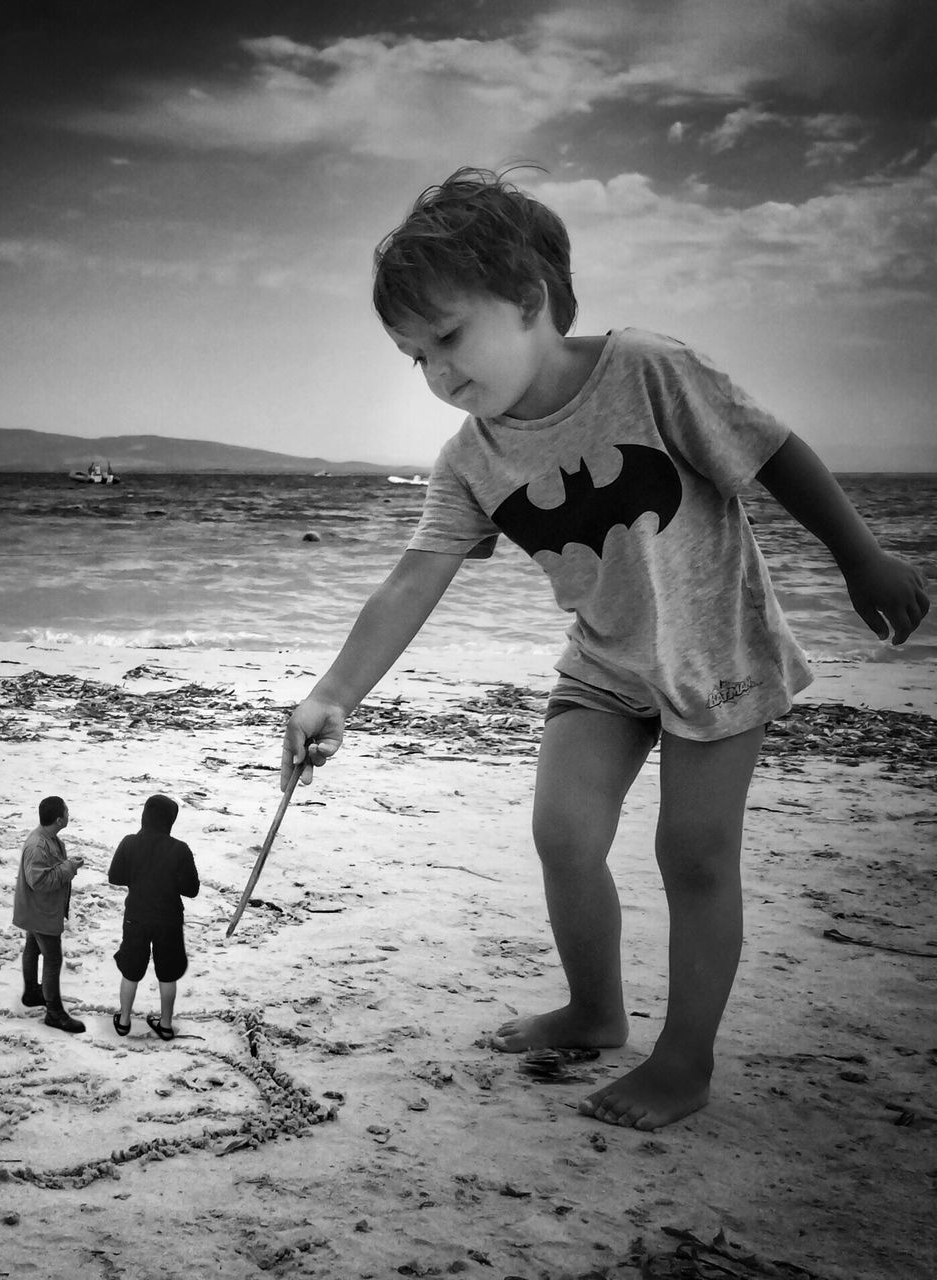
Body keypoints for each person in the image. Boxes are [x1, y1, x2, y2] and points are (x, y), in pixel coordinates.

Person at [282, 168, 929, 1132]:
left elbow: (772, 447)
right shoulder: (472, 459)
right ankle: (596, 1010)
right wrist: (332, 693)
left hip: (718, 649)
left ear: (531, 299)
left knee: (695, 853)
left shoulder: (647, 370)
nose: (440, 373)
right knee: (563, 833)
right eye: (416, 357)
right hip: (604, 661)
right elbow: (413, 578)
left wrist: (862, 555)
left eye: (450, 336)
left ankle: (685, 1059)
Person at [108, 794, 200, 1041]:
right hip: (168, 919)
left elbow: (114, 877)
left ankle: (124, 1020)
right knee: (168, 972)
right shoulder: (179, 849)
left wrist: (138, 877)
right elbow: (192, 889)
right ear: (170, 820)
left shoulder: (129, 843)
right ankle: (166, 1025)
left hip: (136, 916)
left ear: (144, 816)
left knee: (131, 969)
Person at [12, 795, 88, 1034]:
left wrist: (67, 865)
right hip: (40, 911)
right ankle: (54, 1013)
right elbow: (39, 882)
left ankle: (32, 993)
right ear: (58, 819)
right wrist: (69, 868)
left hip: (36, 909)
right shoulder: (38, 845)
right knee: (53, 959)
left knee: (33, 948)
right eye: (66, 811)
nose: (69, 814)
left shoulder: (49, 838)